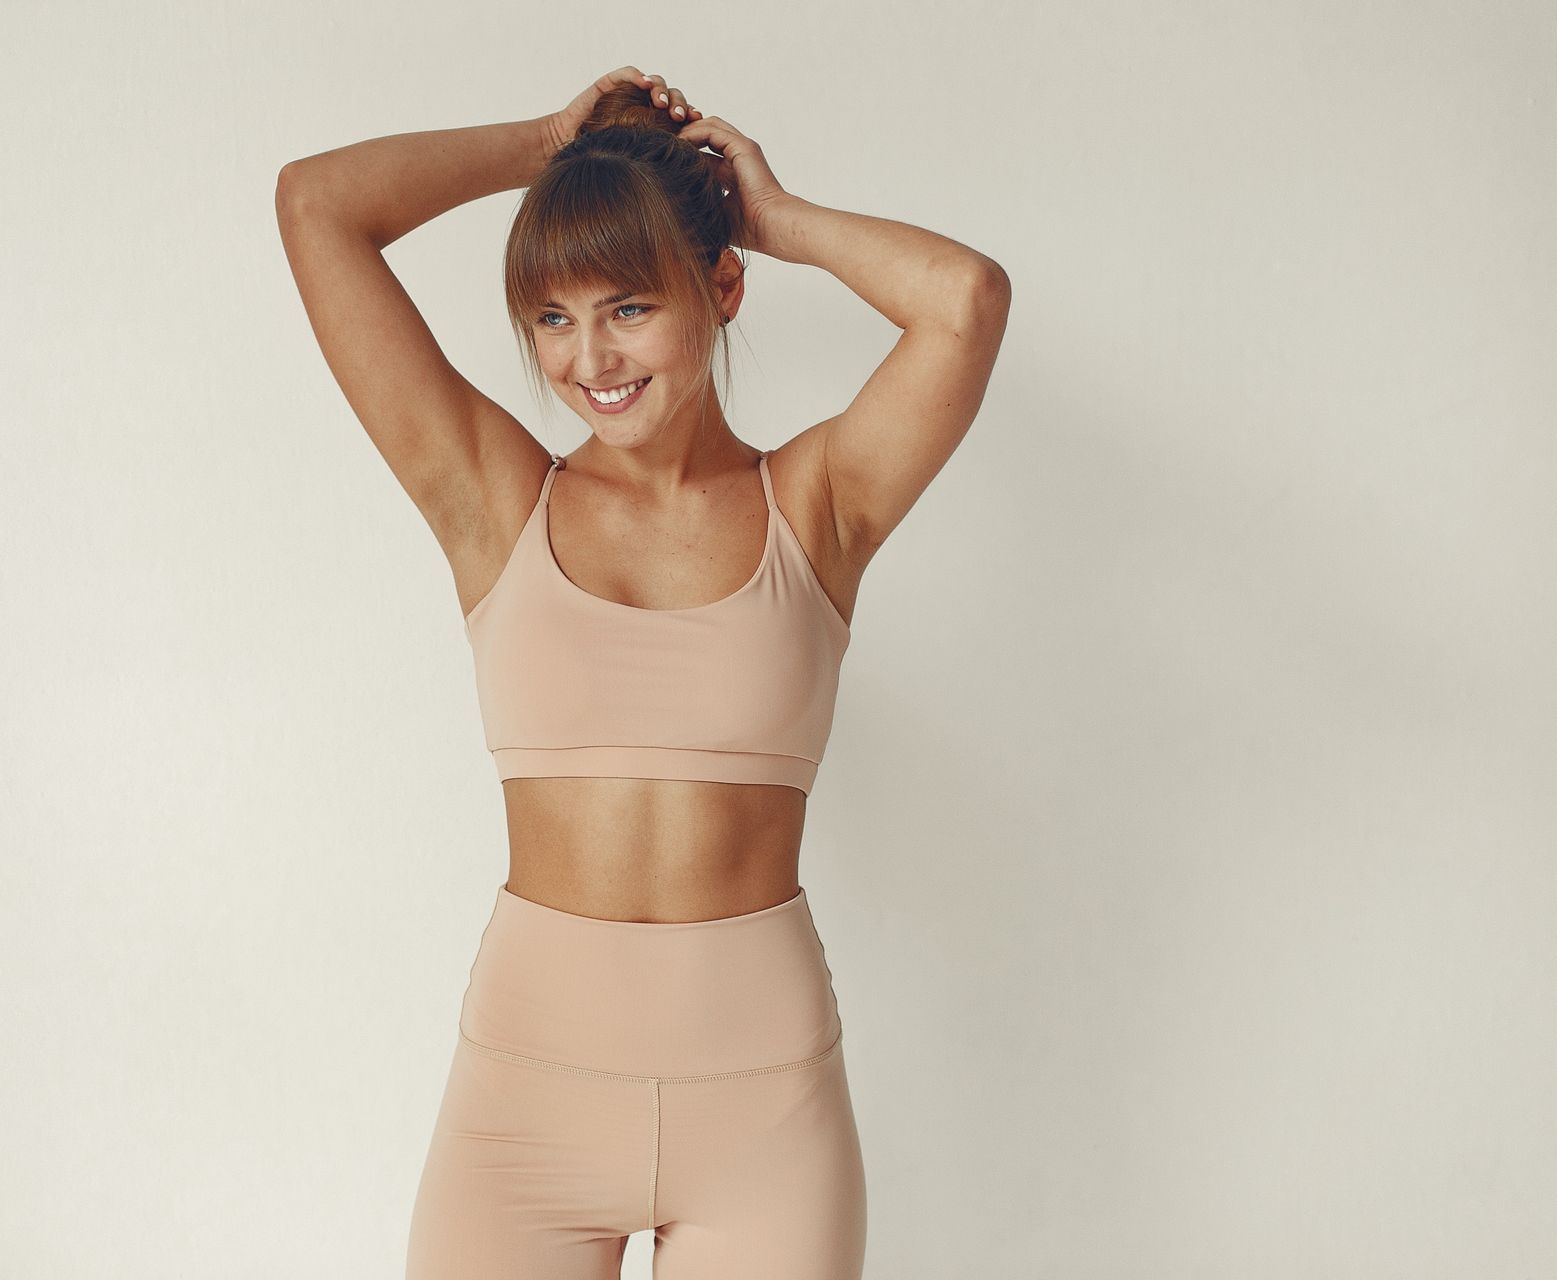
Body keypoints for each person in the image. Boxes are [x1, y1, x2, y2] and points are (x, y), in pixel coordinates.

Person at [276, 64, 1009, 1280]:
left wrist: (767, 216)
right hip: (522, 1107)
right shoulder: (495, 498)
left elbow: (967, 300)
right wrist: (550, 146)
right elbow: (317, 208)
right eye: (553, 318)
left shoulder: (816, 504)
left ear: (720, 289)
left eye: (627, 306)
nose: (587, 358)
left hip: (763, 1116)